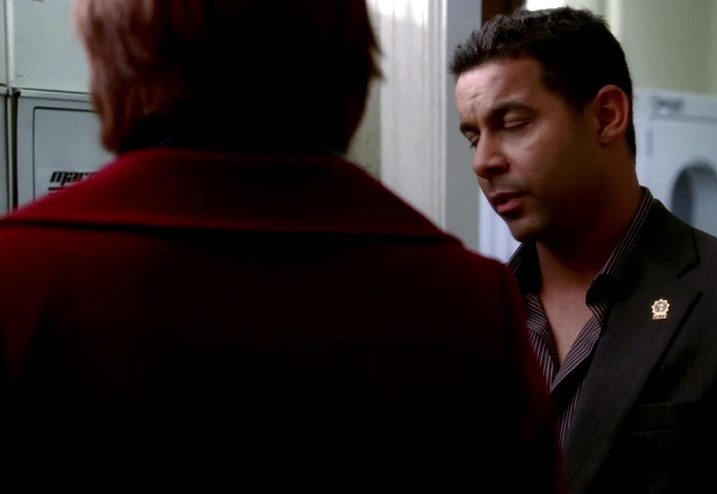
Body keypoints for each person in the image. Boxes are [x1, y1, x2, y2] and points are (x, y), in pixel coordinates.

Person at [0, 1, 564, 491]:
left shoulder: (20, 273)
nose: (484, 160)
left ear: (116, 61)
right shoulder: (469, 300)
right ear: (347, 58)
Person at [451, 6, 717, 493]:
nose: (484, 161)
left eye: (512, 124)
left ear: (607, 116)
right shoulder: (476, 318)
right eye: (474, 137)